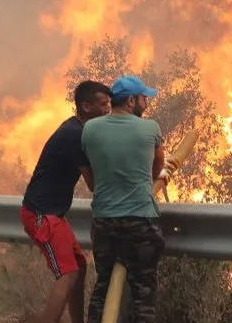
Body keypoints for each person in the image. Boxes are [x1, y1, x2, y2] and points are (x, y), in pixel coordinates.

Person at [20, 80, 112, 323]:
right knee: (68, 272)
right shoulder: (74, 135)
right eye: (103, 105)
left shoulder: (76, 129)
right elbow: (93, 183)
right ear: (86, 107)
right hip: (42, 214)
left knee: (78, 267)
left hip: (53, 214)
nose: (108, 109)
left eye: (109, 104)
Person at [81, 75, 166, 323]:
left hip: (104, 221)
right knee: (143, 294)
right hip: (140, 221)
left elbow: (94, 171)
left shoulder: (90, 129)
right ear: (131, 101)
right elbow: (156, 166)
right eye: (143, 98)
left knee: (103, 286)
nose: (146, 103)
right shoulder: (150, 128)